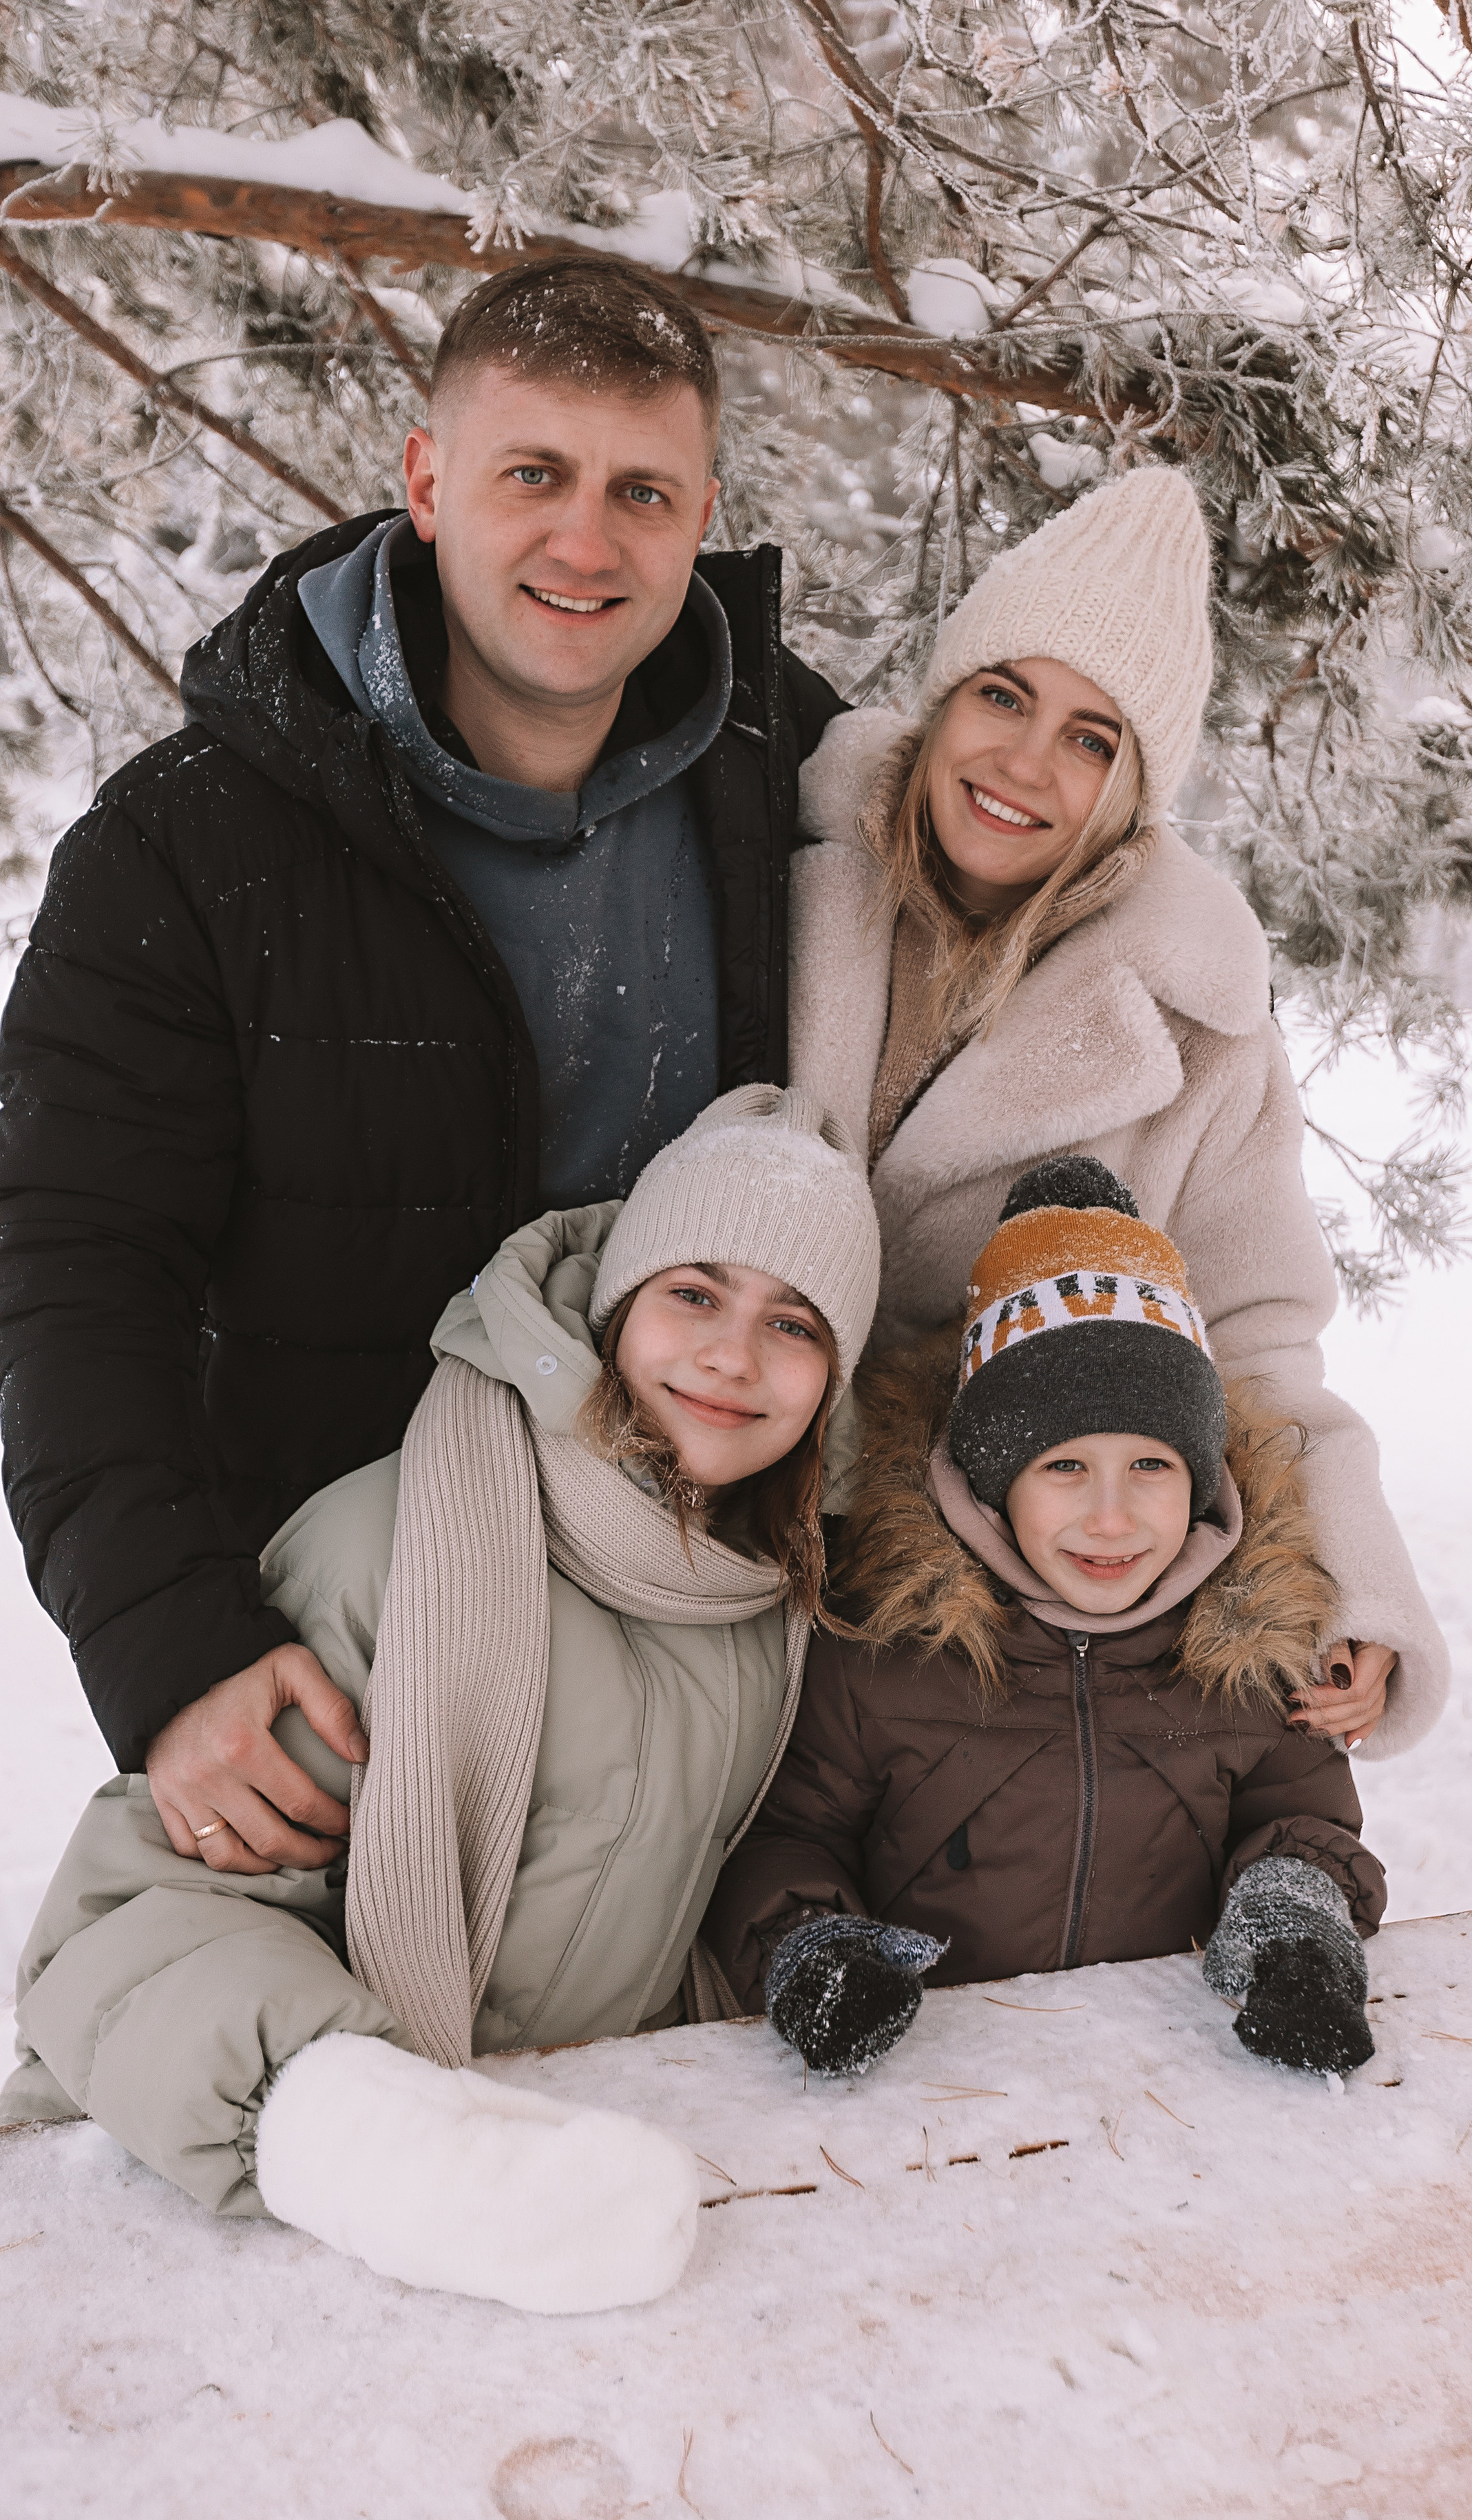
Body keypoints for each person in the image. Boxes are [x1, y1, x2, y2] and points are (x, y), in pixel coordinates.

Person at [0, 256, 843, 1874]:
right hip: (353, 1667)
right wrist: (171, 1650)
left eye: (640, 491)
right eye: (533, 474)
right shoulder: (187, 844)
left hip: (719, 1674)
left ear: (703, 511)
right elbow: (78, 1268)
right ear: (425, 479)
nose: (585, 542)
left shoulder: (794, 782)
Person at [1, 1088, 882, 2314]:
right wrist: (363, 2134)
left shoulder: (767, 1610)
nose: (733, 1354)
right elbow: (132, 1926)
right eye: (695, 1292)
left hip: (553, 2187)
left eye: (793, 1323)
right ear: (617, 1302)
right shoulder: (399, 1545)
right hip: (212, 2206)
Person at [787, 465, 1447, 1755]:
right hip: (717, 1516)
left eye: (1092, 740)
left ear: (1133, 790)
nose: (1026, 762)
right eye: (1003, 695)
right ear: (943, 700)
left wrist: (1352, 1593)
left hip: (976, 1620)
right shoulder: (779, 886)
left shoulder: (1202, 1033)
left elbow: (1253, 1351)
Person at [704, 1158, 1385, 2081]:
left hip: (1166, 2077)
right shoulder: (886, 1648)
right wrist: (815, 1946)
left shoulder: (1249, 1654)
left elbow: (1301, 1816)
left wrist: (1294, 1910)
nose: (1112, 1517)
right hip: (938, 2086)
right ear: (990, 1483)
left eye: (1152, 1467)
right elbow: (791, 1835)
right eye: (1063, 1468)